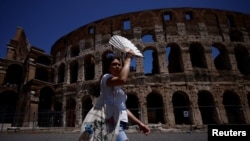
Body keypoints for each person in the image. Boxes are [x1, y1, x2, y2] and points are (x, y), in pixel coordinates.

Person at [100, 50, 151, 141]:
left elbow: (124, 108)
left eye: (119, 65)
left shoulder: (117, 88)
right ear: (108, 67)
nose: (118, 66)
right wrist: (128, 59)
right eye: (114, 64)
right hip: (113, 122)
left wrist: (140, 124)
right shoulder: (106, 78)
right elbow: (122, 79)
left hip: (121, 123)